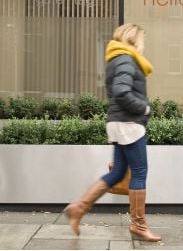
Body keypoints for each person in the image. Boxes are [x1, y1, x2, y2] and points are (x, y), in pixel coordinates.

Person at [64, 23, 161, 242]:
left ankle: (79, 208)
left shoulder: (117, 58)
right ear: (133, 39)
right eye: (142, 40)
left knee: (118, 172)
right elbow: (121, 91)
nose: (143, 45)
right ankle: (138, 225)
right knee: (139, 172)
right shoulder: (127, 59)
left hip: (119, 122)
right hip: (129, 123)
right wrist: (144, 108)